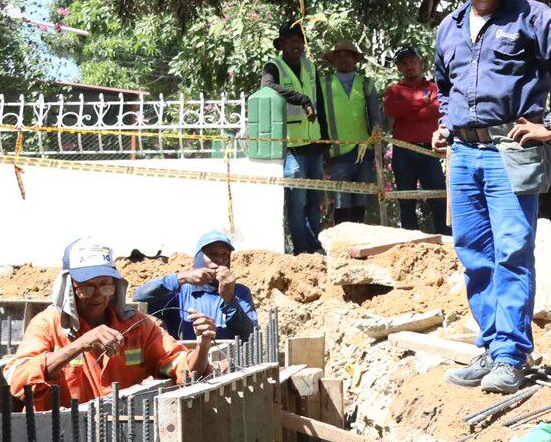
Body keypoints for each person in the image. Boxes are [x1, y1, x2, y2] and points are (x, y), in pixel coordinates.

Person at [433, 0, 551, 395]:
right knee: (474, 255)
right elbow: (444, 84)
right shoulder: (449, 28)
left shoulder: (532, 17)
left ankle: (510, 356)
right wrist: (447, 122)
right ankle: (489, 348)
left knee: (512, 253)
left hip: (510, 153)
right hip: (463, 156)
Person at [6, 239, 212, 409]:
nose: (98, 296)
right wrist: (79, 345)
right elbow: (19, 380)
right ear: (70, 287)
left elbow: (187, 373)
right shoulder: (48, 324)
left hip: (119, 440)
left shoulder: (138, 327)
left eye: (105, 285)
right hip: (60, 440)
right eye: (87, 287)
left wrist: (202, 346)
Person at [133, 229, 260, 350]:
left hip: (229, 367)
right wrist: (181, 278)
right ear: (199, 257)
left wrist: (230, 300)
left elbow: (250, 335)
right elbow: (140, 297)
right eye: (212, 254)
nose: (220, 260)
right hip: (188, 366)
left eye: (225, 255)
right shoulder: (180, 292)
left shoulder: (240, 293)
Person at [262, 20, 328, 254]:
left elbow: (320, 103)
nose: (297, 45)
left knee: (314, 204)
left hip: (315, 145)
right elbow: (267, 86)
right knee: (297, 205)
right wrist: (301, 99)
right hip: (292, 149)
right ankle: (301, 251)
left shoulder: (310, 67)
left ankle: (315, 248)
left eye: (300, 41)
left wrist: (326, 143)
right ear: (281, 44)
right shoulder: (274, 67)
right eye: (291, 41)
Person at [383, 45, 447, 232]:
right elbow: (392, 110)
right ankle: (409, 240)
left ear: (421, 63)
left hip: (429, 149)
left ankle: (446, 238)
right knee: (406, 200)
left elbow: (435, 110)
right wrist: (422, 102)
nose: (409, 66)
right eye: (404, 63)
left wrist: (410, 108)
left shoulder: (433, 87)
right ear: (399, 68)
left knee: (438, 198)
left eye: (412, 61)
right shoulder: (394, 90)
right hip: (403, 151)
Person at [320, 38, 379, 227]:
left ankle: (359, 242)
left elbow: (375, 117)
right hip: (337, 153)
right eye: (339, 56)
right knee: (341, 201)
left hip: (364, 152)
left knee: (361, 200)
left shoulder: (366, 83)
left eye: (348, 55)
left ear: (355, 59)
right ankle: (341, 242)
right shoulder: (324, 84)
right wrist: (323, 149)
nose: (344, 59)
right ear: (334, 60)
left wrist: (376, 148)